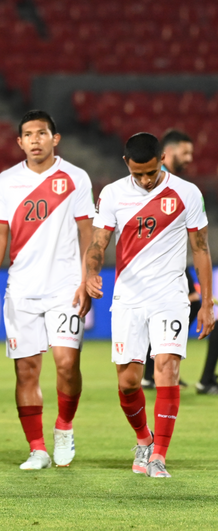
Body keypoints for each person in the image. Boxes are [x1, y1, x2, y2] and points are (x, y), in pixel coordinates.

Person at [85, 132, 214, 478]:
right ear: (126, 163)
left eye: (152, 172)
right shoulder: (112, 194)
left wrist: (207, 302)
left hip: (170, 296)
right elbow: (98, 242)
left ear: (162, 160)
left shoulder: (187, 193)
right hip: (128, 296)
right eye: (138, 173)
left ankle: (159, 455)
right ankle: (144, 438)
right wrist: (90, 273)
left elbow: (200, 249)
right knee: (128, 382)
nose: (145, 180)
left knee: (167, 368)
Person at [0, 110, 94, 470]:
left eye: (42, 133)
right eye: (28, 134)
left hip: (64, 288)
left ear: (55, 139)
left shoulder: (75, 177)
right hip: (22, 289)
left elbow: (87, 232)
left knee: (65, 363)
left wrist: (86, 278)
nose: (35, 140)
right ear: (19, 141)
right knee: (26, 371)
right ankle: (38, 448)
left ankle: (64, 427)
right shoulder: (6, 181)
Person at [142, 129, 198, 390]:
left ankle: (159, 369)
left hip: (175, 259)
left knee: (191, 304)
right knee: (183, 305)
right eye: (186, 152)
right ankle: (154, 370)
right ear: (172, 151)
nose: (190, 158)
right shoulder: (154, 180)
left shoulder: (179, 185)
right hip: (155, 258)